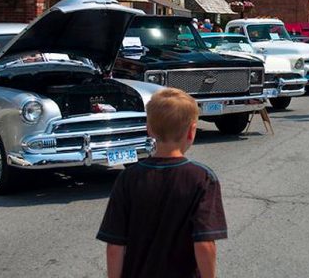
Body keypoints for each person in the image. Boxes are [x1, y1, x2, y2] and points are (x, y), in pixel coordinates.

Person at [97, 88, 227, 277]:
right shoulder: (202, 178)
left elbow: (115, 246)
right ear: (191, 131)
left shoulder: (128, 178)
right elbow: (204, 243)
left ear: (149, 129)